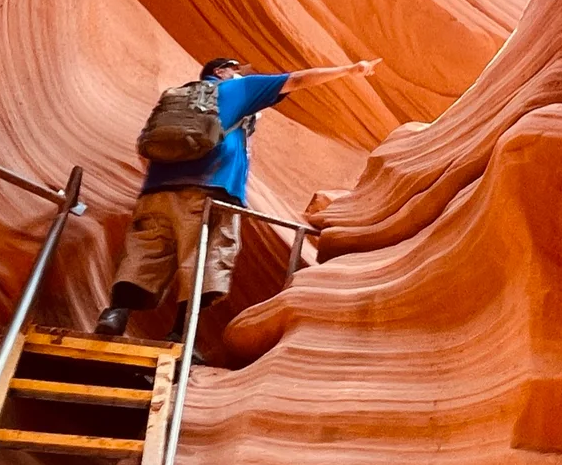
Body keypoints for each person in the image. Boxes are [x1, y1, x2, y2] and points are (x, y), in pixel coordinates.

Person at [95, 56, 379, 345]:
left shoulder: (176, 97)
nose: (242, 74)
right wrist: (349, 70)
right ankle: (181, 335)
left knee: (146, 254)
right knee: (205, 259)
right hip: (210, 191)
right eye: (237, 70)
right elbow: (297, 80)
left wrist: (162, 181)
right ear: (221, 72)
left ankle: (115, 314)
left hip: (156, 193)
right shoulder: (237, 90)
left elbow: (144, 146)